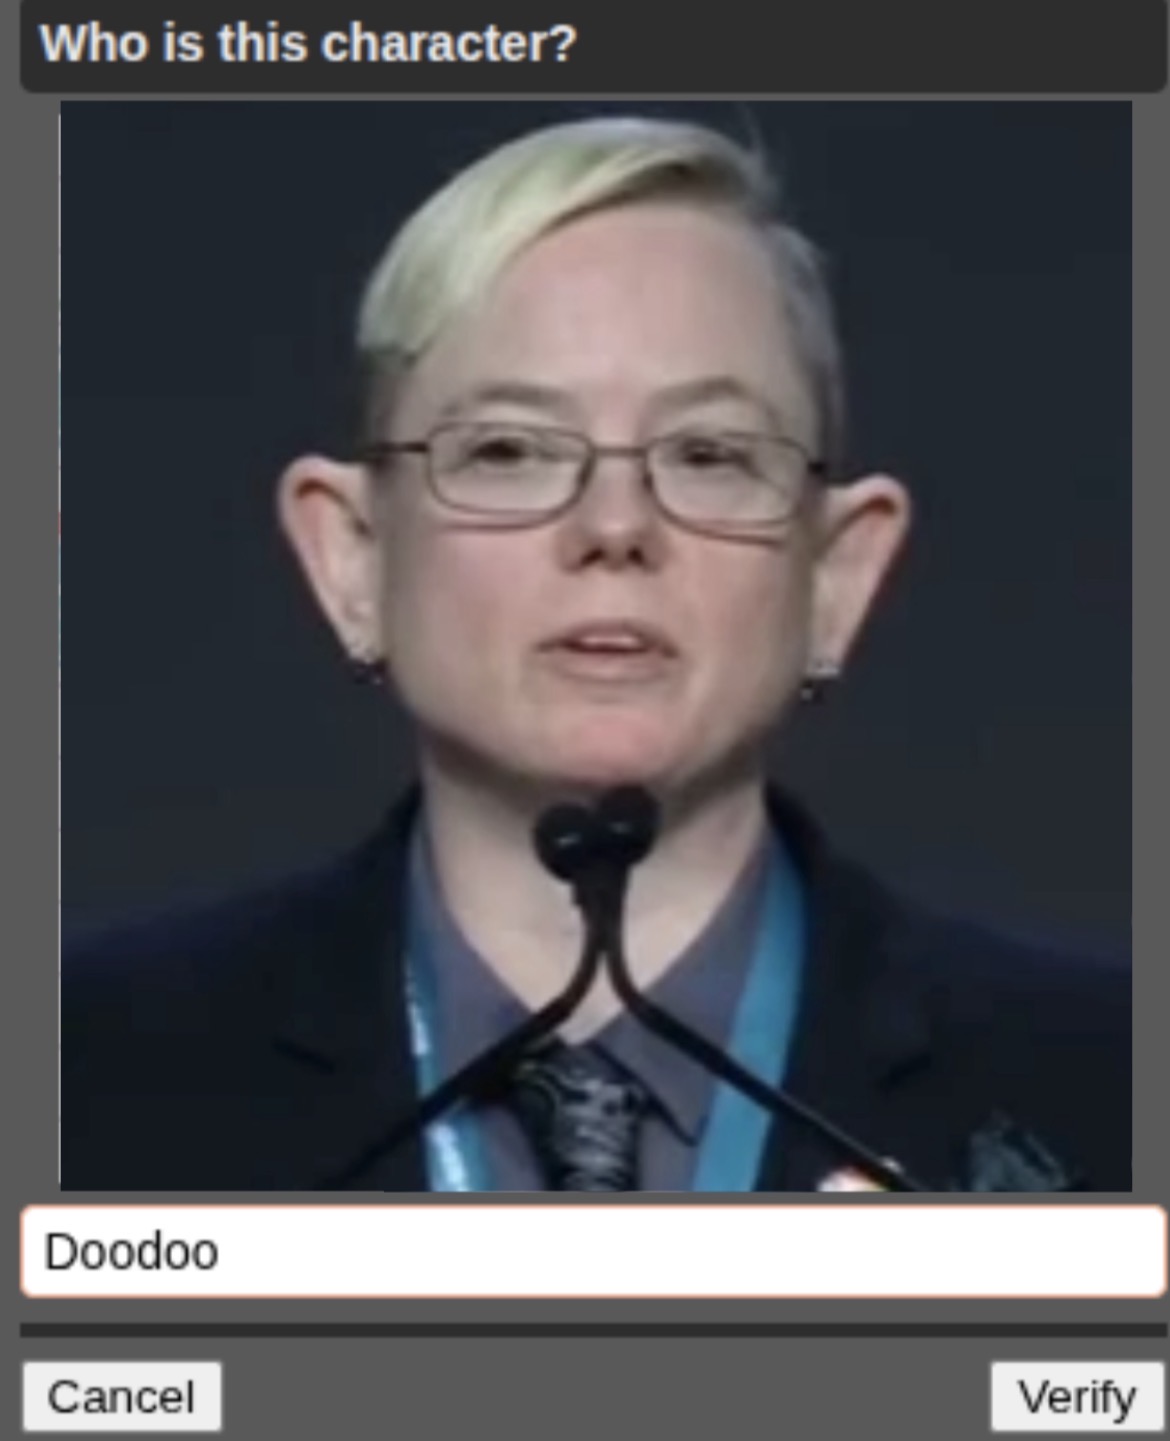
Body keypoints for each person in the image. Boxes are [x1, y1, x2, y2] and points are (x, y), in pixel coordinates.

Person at [61, 115, 1129, 1193]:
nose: (616, 526)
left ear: (836, 575)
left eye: (708, 453)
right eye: (508, 450)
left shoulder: (1111, 1087)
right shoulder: (80, 1077)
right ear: (353, 557)